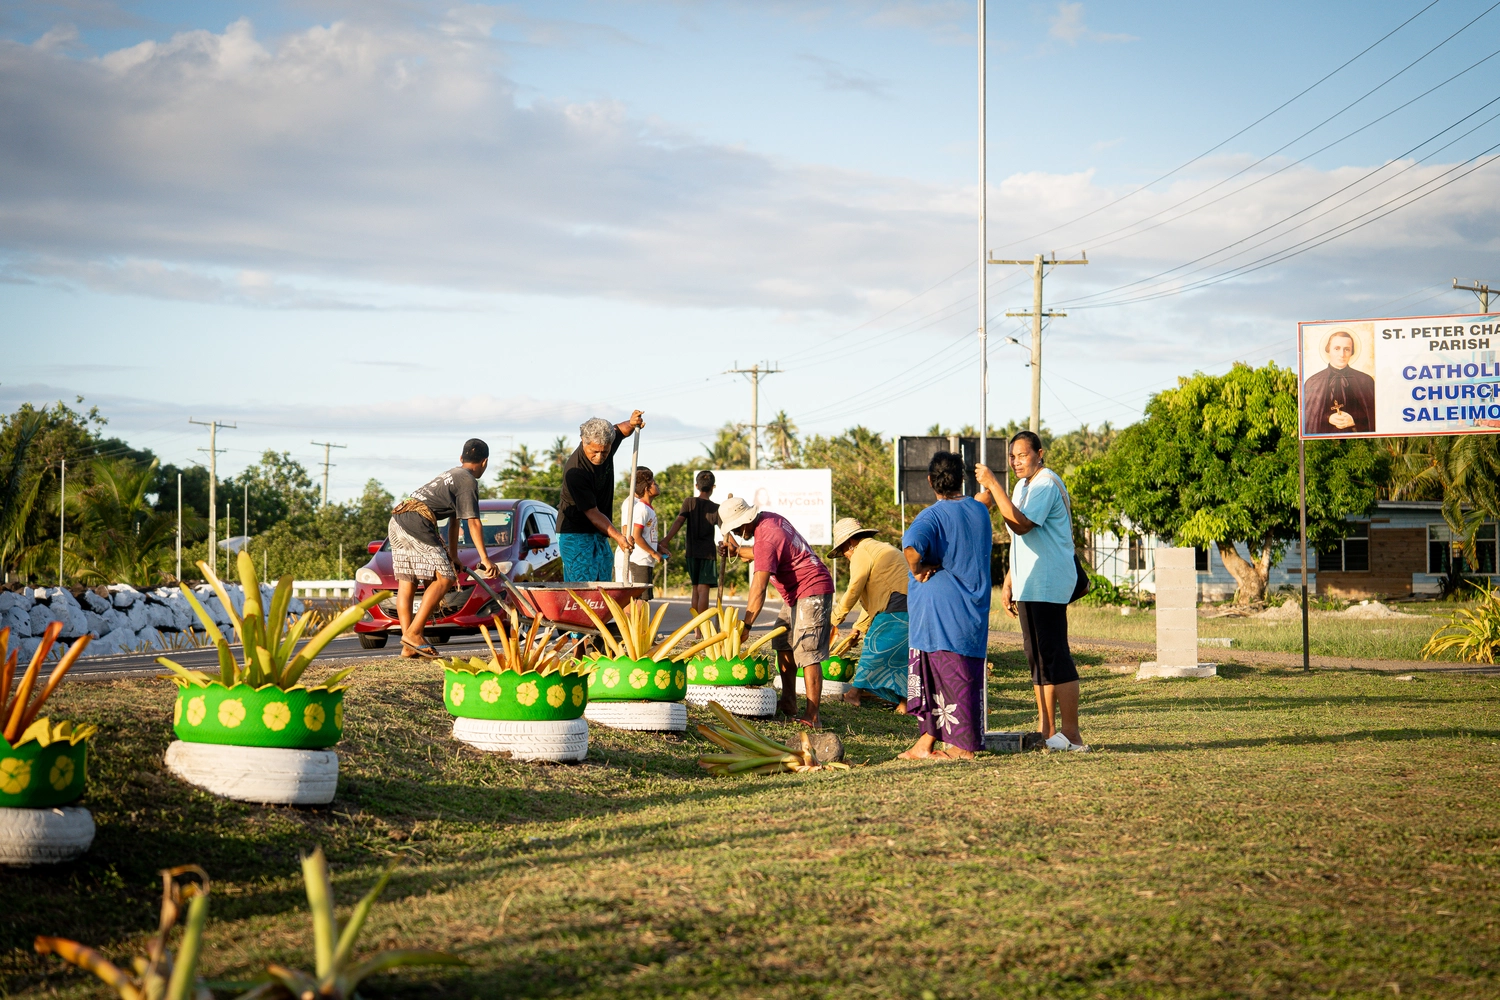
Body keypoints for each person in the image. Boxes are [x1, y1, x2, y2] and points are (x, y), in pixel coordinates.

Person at [985, 430, 1088, 752]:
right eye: (1012, 457)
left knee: (1055, 654)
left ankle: (1072, 735)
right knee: (1037, 658)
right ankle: (1047, 730)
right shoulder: (1023, 485)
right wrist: (1010, 579)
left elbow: (1021, 524)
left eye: (1022, 455)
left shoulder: (1045, 483)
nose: (1016, 462)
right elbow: (1021, 541)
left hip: (1049, 580)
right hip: (1029, 581)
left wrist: (993, 486)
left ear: (1039, 454)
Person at [900, 451, 994, 760]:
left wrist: (918, 569)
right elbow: (984, 499)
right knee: (956, 676)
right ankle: (926, 743)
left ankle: (962, 748)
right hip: (972, 610)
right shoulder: (978, 510)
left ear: (930, 481)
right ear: (962, 479)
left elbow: (912, 548)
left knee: (944, 679)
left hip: (940, 615)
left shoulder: (931, 516)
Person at [718, 495, 834, 728]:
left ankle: (813, 716)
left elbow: (758, 588)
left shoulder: (768, 536)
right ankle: (789, 702)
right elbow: (761, 552)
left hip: (812, 590)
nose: (739, 534)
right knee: (782, 642)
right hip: (795, 593)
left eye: (739, 529)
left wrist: (747, 625)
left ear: (746, 520)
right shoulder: (768, 521)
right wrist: (738, 552)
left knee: (808, 650)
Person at [388, 439, 498, 658]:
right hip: (417, 521)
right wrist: (485, 559)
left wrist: (454, 555)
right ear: (485, 462)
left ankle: (408, 644)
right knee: (445, 578)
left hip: (398, 519)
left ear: (461, 459)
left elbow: (454, 521)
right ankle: (415, 634)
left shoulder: (451, 474)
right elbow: (473, 522)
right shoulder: (468, 481)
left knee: (407, 580)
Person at [828, 517, 909, 710]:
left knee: (875, 647)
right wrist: (859, 628)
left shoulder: (861, 552)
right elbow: (873, 598)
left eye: (844, 551)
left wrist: (835, 619)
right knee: (900, 656)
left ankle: (854, 694)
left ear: (850, 543)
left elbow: (855, 587)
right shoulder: (877, 548)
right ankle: (905, 703)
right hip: (909, 602)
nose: (846, 556)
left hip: (897, 602)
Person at [557, 412, 644, 582]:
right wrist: (619, 536)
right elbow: (593, 513)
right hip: (576, 533)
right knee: (583, 586)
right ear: (584, 441)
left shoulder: (607, 439)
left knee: (603, 580)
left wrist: (632, 423)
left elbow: (621, 429)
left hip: (598, 532)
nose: (599, 457)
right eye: (594, 451)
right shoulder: (576, 471)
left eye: (604, 452)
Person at [662, 470, 720, 614]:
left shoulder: (689, 502)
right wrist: (734, 547)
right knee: (703, 589)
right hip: (708, 554)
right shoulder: (716, 508)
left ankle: (697, 631)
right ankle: (703, 627)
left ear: (696, 486)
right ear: (713, 487)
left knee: (695, 589)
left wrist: (666, 540)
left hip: (692, 552)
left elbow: (678, 521)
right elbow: (725, 530)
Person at [1302, 329, 1375, 434]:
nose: (1342, 354)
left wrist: (1354, 420)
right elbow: (1309, 419)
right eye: (1337, 348)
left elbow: (1374, 417)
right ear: (1328, 350)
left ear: (1352, 352)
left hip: (1358, 442)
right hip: (1324, 444)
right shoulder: (1312, 382)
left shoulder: (1366, 381)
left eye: (1347, 349)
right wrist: (1328, 418)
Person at [620, 467, 667, 599]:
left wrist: (659, 548)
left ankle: (641, 620)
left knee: (644, 598)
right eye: (654, 483)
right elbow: (636, 536)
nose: (657, 485)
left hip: (646, 560)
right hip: (640, 560)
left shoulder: (647, 508)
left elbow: (647, 536)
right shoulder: (641, 509)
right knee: (640, 598)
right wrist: (654, 553)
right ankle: (638, 621)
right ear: (647, 488)